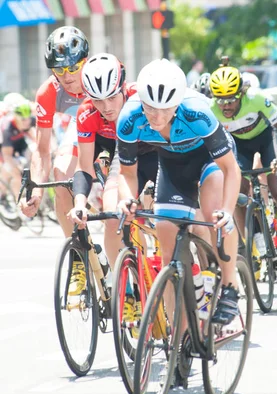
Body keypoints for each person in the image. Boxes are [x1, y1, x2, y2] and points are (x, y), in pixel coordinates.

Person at [116, 59, 241, 330]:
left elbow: (231, 170)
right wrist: (126, 198)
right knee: (166, 247)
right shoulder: (129, 118)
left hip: (210, 160)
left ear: (178, 102)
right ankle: (180, 338)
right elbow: (127, 174)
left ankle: (230, 285)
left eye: (165, 109)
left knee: (213, 214)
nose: (156, 117)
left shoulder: (197, 113)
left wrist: (229, 211)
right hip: (172, 163)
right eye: (150, 107)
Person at [66, 53, 158, 300]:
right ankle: (128, 293)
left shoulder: (142, 98)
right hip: (124, 157)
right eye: (97, 100)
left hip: (159, 152)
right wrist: (79, 204)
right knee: (112, 216)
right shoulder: (87, 114)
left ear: (123, 88)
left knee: (174, 217)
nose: (105, 107)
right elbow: (84, 167)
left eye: (111, 97)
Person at [209, 61, 277, 263]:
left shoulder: (257, 99)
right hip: (238, 145)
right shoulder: (210, 111)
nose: (226, 106)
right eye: (221, 101)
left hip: (264, 139)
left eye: (232, 100)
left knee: (275, 186)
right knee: (239, 193)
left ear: (242, 94)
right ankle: (251, 249)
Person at [19, 26, 89, 236]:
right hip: (81, 128)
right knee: (61, 178)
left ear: (86, 61)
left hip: (110, 132)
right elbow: (41, 150)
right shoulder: (49, 92)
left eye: (73, 68)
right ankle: (77, 250)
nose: (66, 76)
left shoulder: (101, 77)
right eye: (59, 70)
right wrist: (37, 192)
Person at [1, 99, 35, 196]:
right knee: (17, 175)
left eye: (28, 118)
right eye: (23, 120)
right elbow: (7, 156)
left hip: (19, 143)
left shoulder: (28, 120)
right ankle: (15, 200)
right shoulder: (8, 129)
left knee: (34, 154)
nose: (27, 122)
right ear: (16, 117)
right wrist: (17, 171)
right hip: (5, 150)